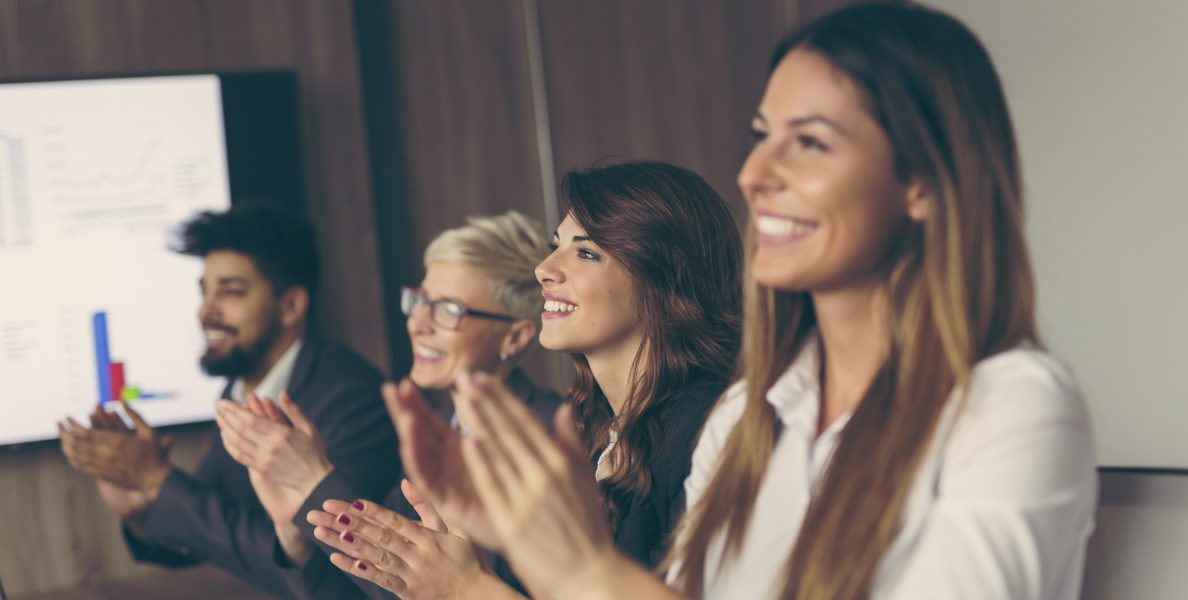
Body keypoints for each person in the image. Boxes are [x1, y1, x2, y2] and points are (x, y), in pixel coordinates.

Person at [376, 4, 1099, 599]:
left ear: (921, 182)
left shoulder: (1011, 406)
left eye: (809, 142)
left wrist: (566, 566)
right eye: (761, 137)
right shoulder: (745, 416)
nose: (755, 173)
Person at [311, 161, 744, 598]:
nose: (544, 268)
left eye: (586, 252)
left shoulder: (715, 423)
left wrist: (469, 589)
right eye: (557, 246)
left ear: (665, 280)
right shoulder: (596, 430)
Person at [215, 211, 563, 598]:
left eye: (448, 310)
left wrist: (313, 481)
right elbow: (385, 589)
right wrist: (291, 523)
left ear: (515, 338)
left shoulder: (550, 438)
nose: (418, 323)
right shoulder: (442, 435)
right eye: (419, 301)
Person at [59, 204, 399, 598]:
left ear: (290, 306)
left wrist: (158, 481)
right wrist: (142, 505)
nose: (206, 311)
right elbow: (215, 523)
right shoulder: (240, 393)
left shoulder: (352, 399)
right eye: (205, 292)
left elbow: (314, 564)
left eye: (231, 292)